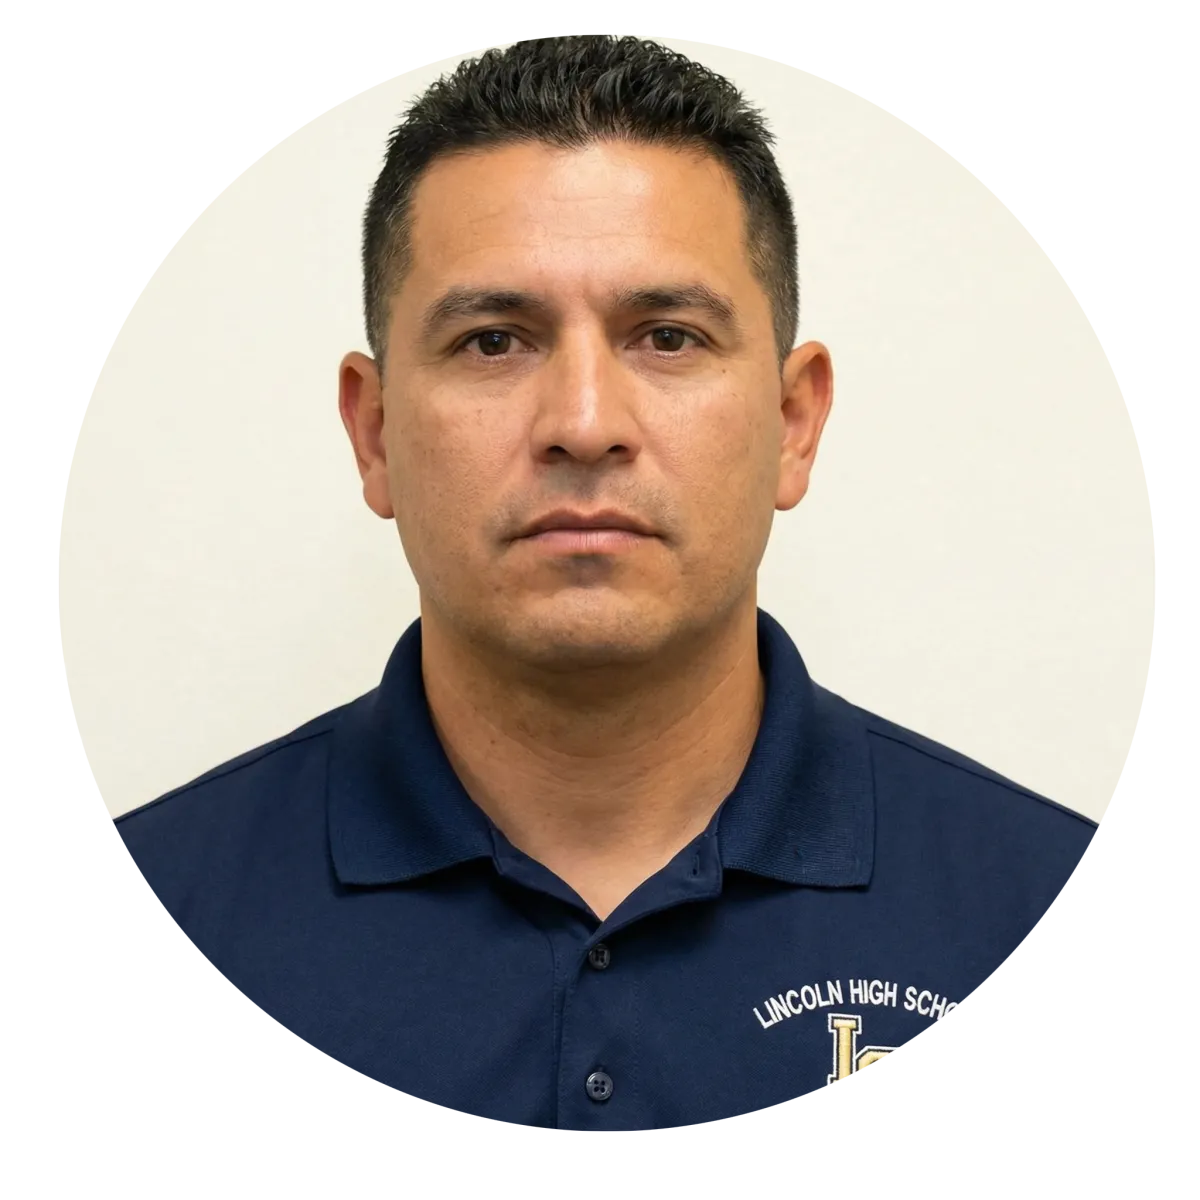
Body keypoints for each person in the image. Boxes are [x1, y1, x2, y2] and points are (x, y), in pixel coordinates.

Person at [113, 33, 1102, 1134]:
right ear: (375, 432)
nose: (584, 424)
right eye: (494, 342)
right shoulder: (118, 938)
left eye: (667, 336)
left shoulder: (1081, 941)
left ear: (792, 423)